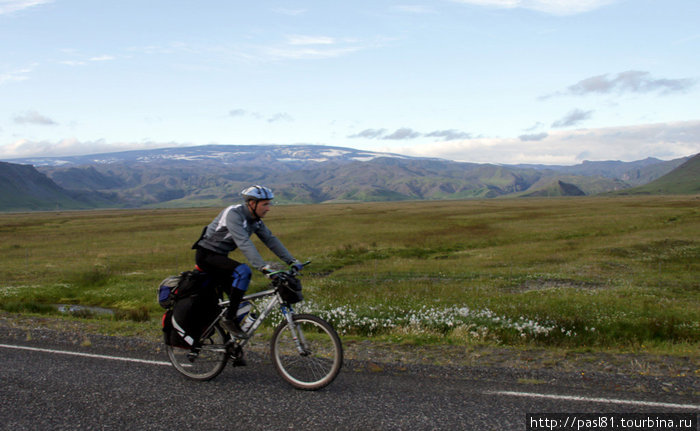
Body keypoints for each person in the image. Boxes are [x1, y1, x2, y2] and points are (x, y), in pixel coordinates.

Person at [192, 185, 301, 338]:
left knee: (240, 305)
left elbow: (270, 240)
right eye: (265, 204)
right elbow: (244, 242)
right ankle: (228, 320)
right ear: (251, 203)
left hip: (221, 258)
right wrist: (263, 267)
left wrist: (292, 261)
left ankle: (232, 346)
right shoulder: (234, 214)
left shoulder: (255, 220)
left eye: (269, 203)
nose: (268, 208)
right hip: (207, 256)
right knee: (243, 271)